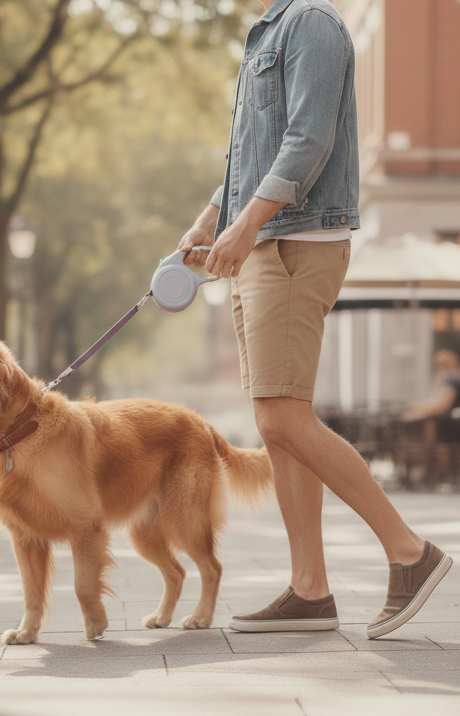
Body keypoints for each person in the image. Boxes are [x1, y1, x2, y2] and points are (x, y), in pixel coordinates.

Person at [178, 0, 452, 638]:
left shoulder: (314, 25)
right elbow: (252, 159)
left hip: (296, 243)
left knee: (282, 414)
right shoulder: (266, 34)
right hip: (263, 245)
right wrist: (207, 222)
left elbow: (308, 140)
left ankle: (411, 553)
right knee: (276, 426)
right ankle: (310, 589)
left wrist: (245, 226)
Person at [407, 350, 460, 420]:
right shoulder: (452, 378)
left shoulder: (450, 378)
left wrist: (413, 412)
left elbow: (442, 405)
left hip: (447, 424)